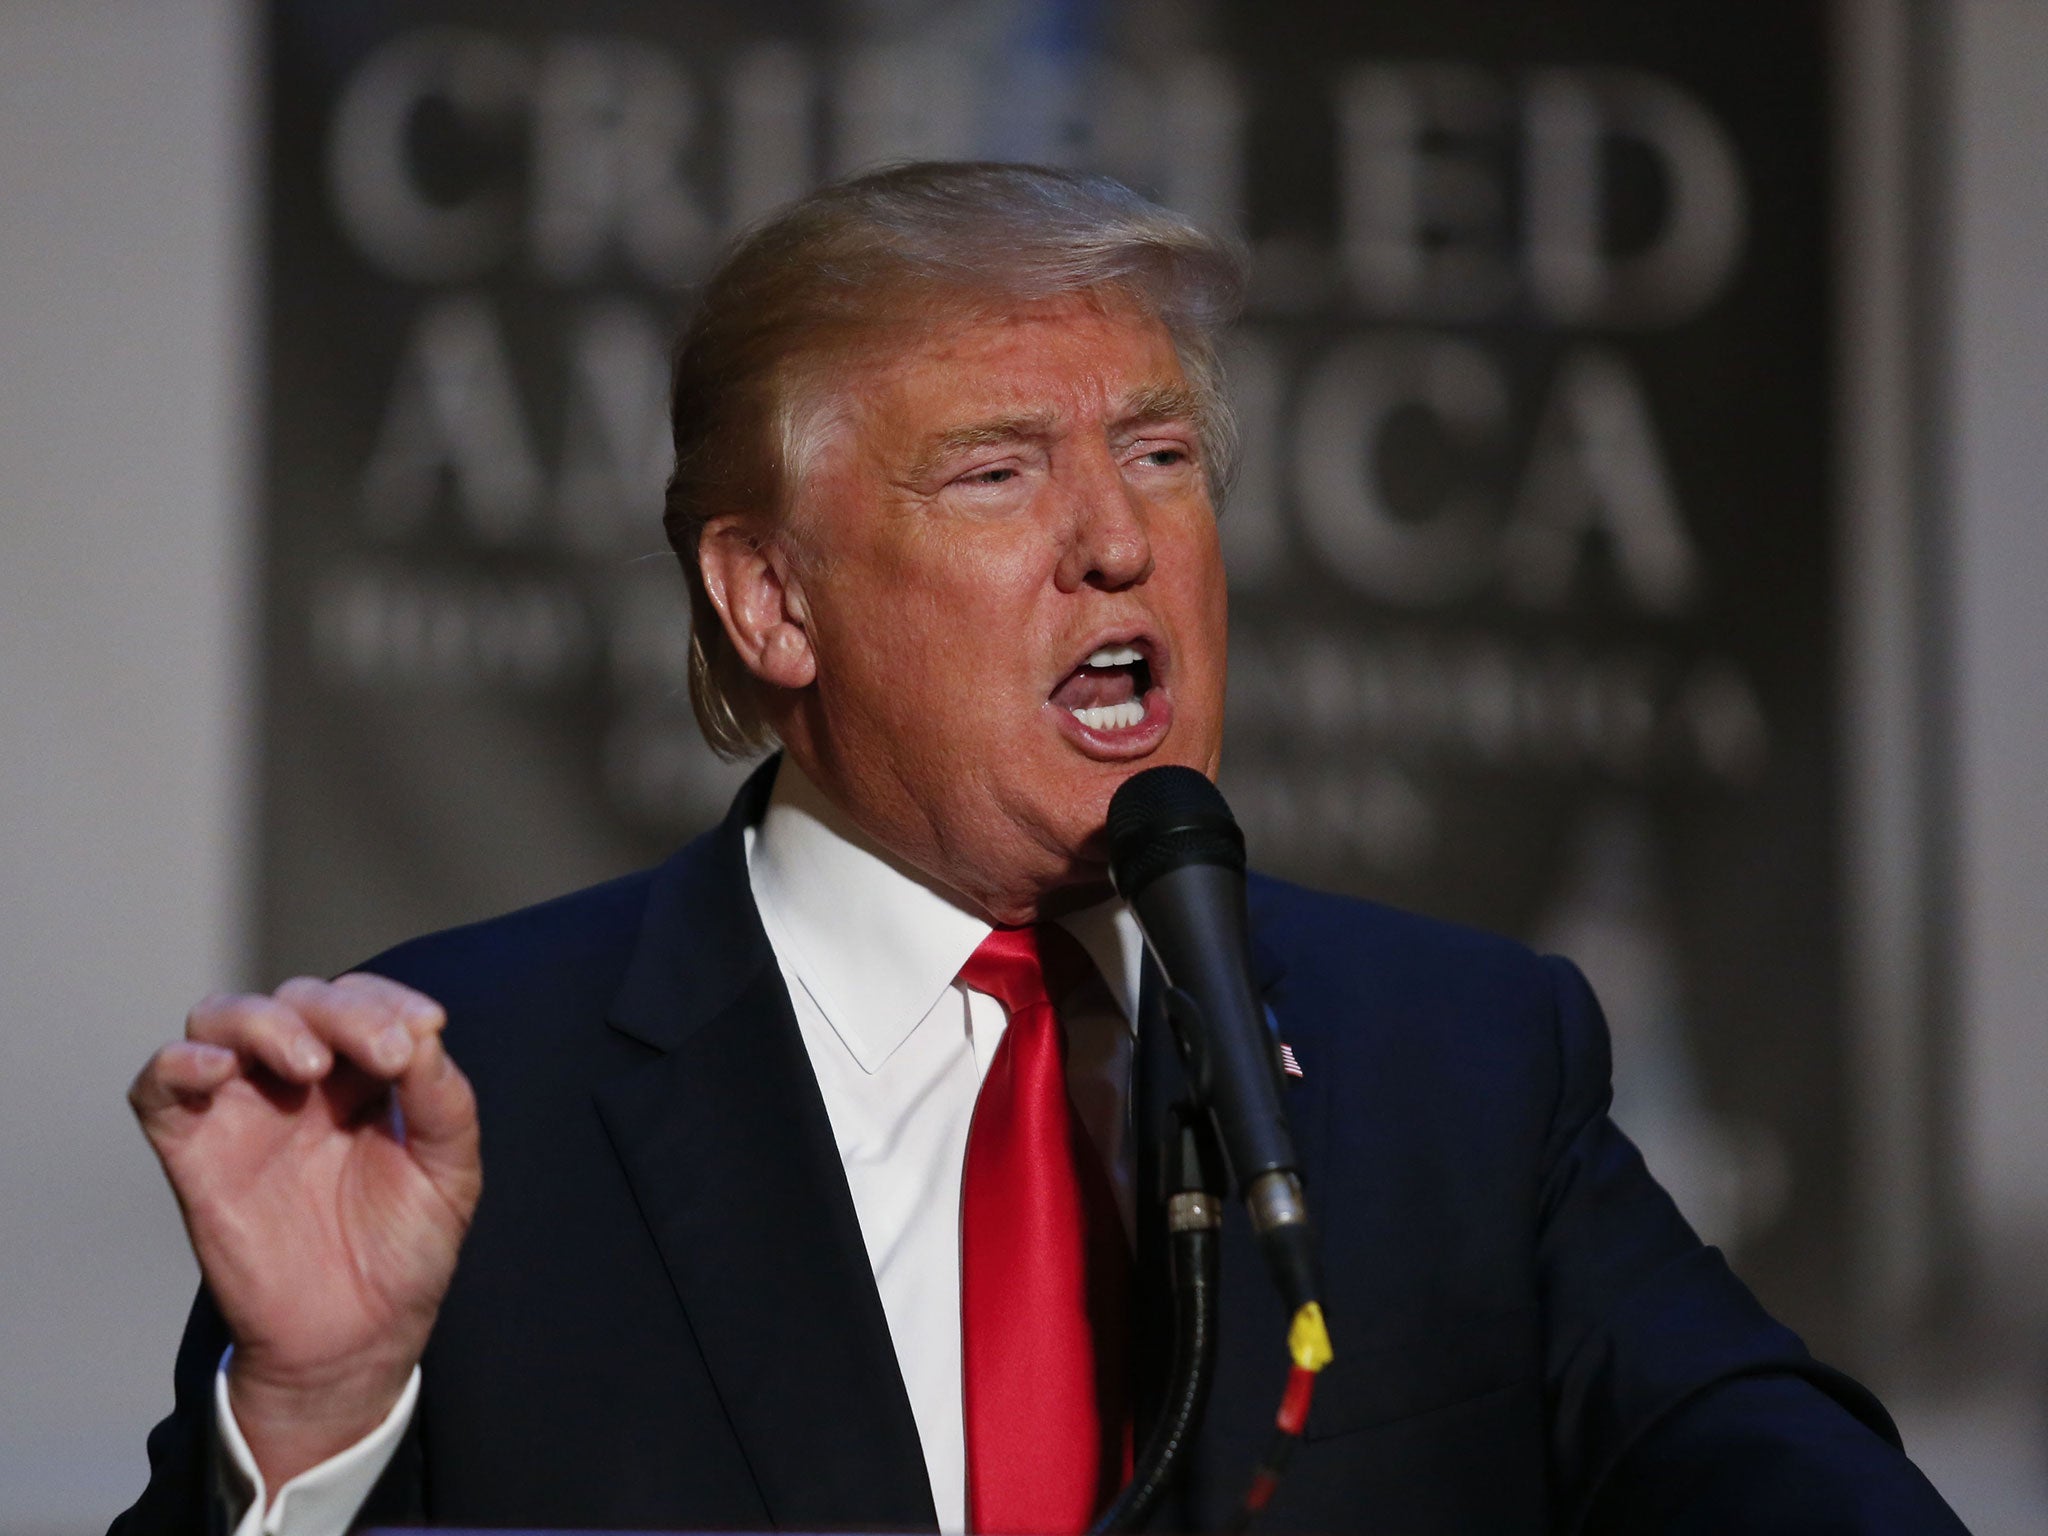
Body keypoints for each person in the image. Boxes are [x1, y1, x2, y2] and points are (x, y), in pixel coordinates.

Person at [115, 162, 1964, 1536]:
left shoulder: (1458, 1058)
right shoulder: (464, 1090)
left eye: (1159, 455)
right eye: (999, 472)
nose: (1116, 543)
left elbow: (1792, 1485)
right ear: (770, 598)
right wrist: (314, 1413)